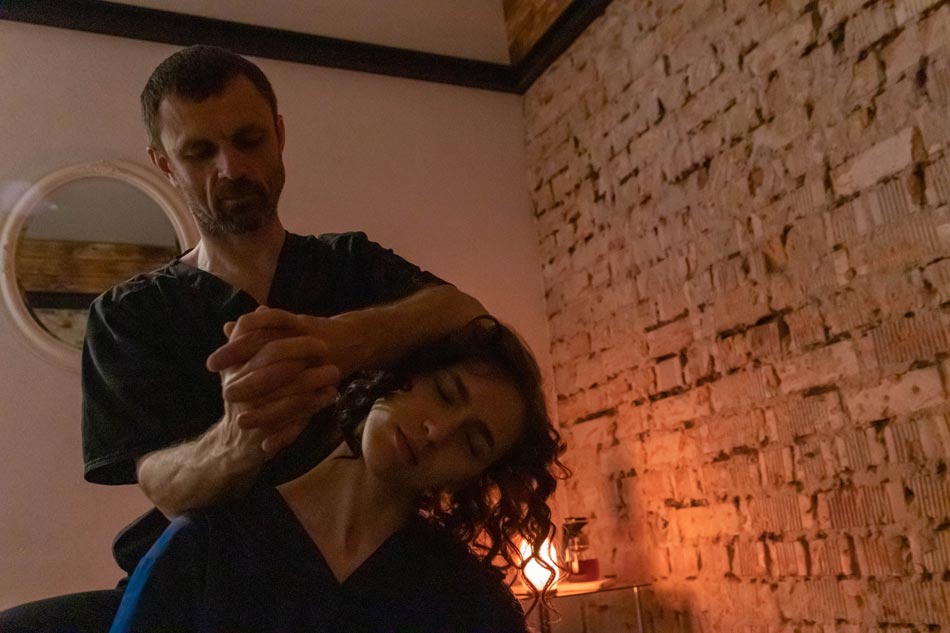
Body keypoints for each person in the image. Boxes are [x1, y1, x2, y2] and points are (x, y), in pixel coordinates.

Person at [0, 45, 485, 632]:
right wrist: (238, 439)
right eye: (199, 152)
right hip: (194, 587)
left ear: (279, 135)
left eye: (249, 140)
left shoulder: (353, 266)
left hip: (360, 587)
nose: (231, 168)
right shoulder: (130, 315)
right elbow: (161, 484)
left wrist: (341, 340)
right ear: (164, 165)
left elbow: (466, 313)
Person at [109, 317, 565, 632]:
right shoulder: (208, 546)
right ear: (401, 373)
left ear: (469, 478)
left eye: (472, 443)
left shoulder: (470, 605)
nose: (437, 432)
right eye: (445, 393)